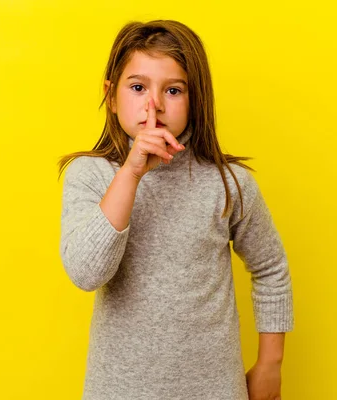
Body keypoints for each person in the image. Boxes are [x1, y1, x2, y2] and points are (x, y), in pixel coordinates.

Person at [57, 19, 294, 400]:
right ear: (112, 96)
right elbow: (86, 273)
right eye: (137, 87)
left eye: (174, 89)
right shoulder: (91, 175)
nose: (155, 105)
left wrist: (270, 364)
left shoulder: (229, 183)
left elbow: (270, 267)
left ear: (196, 98)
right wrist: (132, 173)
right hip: (119, 391)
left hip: (215, 390)